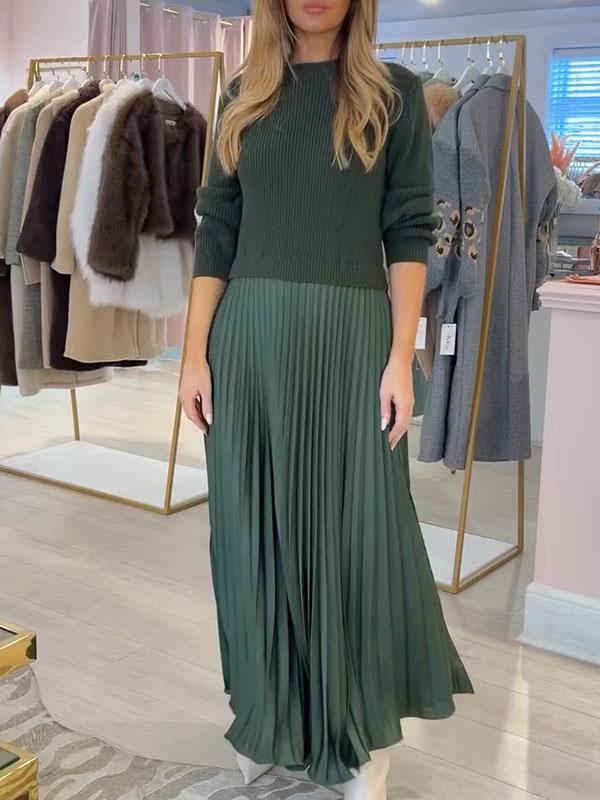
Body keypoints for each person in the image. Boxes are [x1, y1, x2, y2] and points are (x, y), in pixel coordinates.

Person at [180, 0, 473, 797]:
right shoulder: (242, 94)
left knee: (357, 533)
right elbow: (217, 228)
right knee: (254, 530)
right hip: (248, 341)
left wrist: (401, 355)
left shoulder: (394, 93)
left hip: (350, 339)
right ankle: (266, 714)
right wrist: (194, 354)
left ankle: (358, 734)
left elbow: (409, 230)